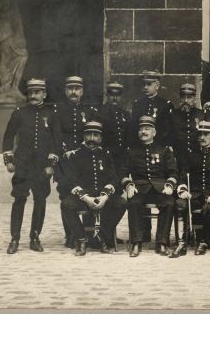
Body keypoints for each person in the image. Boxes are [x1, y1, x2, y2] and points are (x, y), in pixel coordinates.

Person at [2, 78, 60, 254]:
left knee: (40, 201)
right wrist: (9, 160)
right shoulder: (20, 112)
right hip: (23, 165)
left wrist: (51, 164)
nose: (33, 96)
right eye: (30, 93)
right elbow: (8, 137)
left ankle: (35, 237)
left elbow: (56, 140)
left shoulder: (51, 113)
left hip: (42, 167)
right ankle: (14, 239)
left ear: (44, 93)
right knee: (19, 199)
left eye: (36, 92)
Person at [60, 121, 127, 256]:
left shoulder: (106, 155)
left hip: (102, 196)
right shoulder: (74, 155)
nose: (92, 138)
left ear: (100, 138)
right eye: (88, 135)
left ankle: (102, 237)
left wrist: (105, 196)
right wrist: (86, 198)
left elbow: (113, 179)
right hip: (83, 197)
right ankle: (81, 239)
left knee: (121, 203)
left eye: (95, 135)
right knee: (66, 205)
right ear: (83, 137)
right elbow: (70, 180)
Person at [121, 116, 179, 258]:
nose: (143, 132)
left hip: (160, 188)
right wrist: (128, 185)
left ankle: (162, 242)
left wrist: (170, 185)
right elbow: (122, 173)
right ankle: (136, 242)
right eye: (141, 129)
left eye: (147, 129)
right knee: (133, 202)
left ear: (154, 132)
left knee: (169, 203)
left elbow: (173, 172)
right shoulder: (131, 151)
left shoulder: (164, 150)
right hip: (139, 188)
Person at [173, 121, 210, 257]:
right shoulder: (191, 154)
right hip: (194, 194)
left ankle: (204, 241)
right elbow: (182, 176)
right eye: (200, 134)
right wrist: (183, 190)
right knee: (180, 204)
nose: (202, 137)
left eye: (206, 134)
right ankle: (181, 243)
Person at [53, 76, 97, 247]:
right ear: (65, 91)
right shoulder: (58, 111)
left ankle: (88, 232)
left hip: (84, 159)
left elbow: (92, 135)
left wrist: (80, 150)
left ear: (82, 91)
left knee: (88, 191)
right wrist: (64, 151)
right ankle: (71, 234)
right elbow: (56, 136)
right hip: (64, 161)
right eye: (70, 88)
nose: (73, 92)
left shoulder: (89, 110)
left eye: (77, 88)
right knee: (66, 195)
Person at [130, 70, 174, 242]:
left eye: (149, 84)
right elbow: (134, 128)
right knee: (142, 187)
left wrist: (162, 149)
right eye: (144, 84)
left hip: (159, 149)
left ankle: (160, 239)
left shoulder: (165, 105)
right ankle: (144, 233)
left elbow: (168, 130)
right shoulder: (138, 104)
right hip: (141, 149)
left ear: (157, 85)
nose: (145, 87)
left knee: (155, 185)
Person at [96, 82, 130, 169]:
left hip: (122, 155)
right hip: (106, 154)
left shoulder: (125, 113)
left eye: (118, 95)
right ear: (107, 95)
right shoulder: (100, 112)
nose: (115, 98)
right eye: (112, 95)